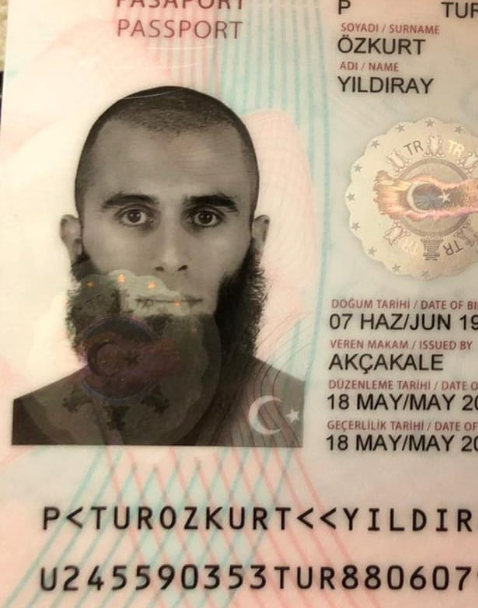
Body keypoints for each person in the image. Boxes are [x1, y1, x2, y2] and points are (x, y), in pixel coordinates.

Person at [12, 86, 305, 446]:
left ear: (255, 244)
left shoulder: (306, 423)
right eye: (133, 215)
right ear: (76, 242)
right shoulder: (19, 429)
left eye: (206, 217)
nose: (170, 257)